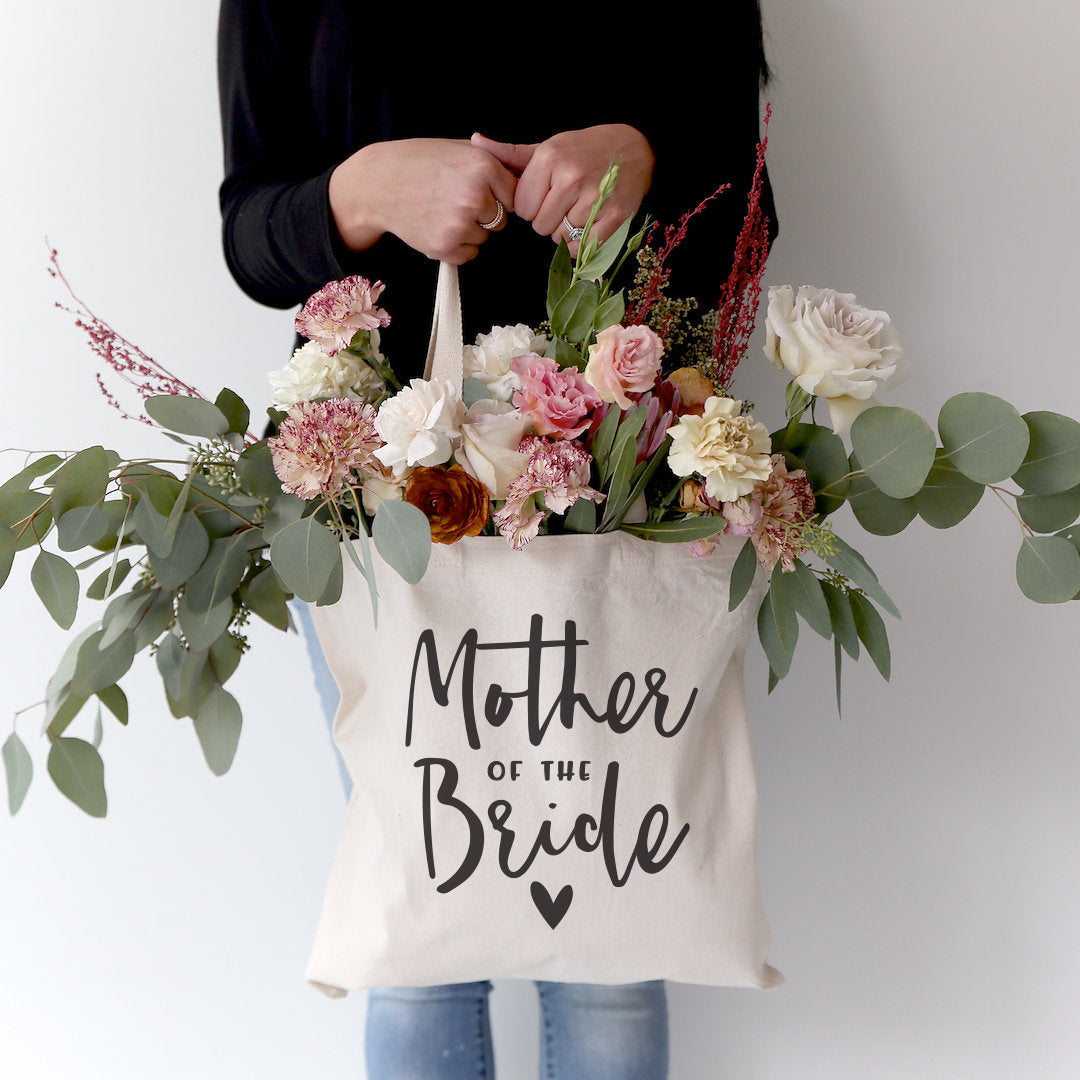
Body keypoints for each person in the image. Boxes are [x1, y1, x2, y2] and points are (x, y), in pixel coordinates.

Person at [217, 3, 773, 1077]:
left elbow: (748, 210)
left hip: (620, 486)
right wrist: (361, 193)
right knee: (422, 941)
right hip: (381, 497)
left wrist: (644, 159)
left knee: (610, 946)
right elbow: (252, 230)